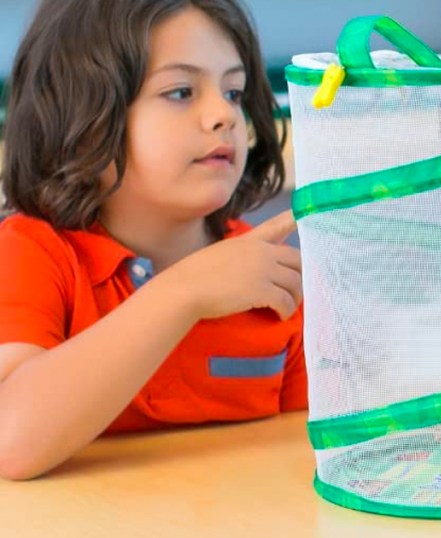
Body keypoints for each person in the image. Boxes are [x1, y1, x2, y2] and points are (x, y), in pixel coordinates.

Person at [0, 0, 306, 480]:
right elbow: (10, 441)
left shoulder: (269, 273)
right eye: (181, 91)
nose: (223, 116)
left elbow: (308, 449)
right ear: (85, 120)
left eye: (234, 92)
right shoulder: (30, 253)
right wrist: (185, 292)